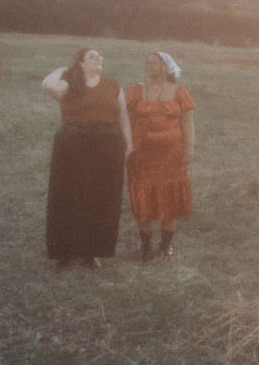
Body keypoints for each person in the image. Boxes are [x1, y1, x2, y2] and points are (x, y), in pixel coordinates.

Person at [42, 48, 133, 269]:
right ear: (81, 63)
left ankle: (92, 253)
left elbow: (124, 117)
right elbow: (47, 85)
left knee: (101, 197)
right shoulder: (69, 85)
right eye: (92, 56)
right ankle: (65, 251)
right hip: (72, 144)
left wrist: (129, 144)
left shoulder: (113, 85)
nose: (98, 59)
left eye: (100, 56)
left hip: (108, 145)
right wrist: (63, 70)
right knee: (67, 195)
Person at [125, 52, 196, 262]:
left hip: (171, 155)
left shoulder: (180, 92)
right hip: (142, 155)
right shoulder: (137, 91)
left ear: (165, 67)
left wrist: (189, 149)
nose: (149, 66)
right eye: (147, 63)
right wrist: (127, 146)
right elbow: (126, 120)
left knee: (170, 196)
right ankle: (146, 247)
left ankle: (165, 246)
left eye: (154, 63)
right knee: (143, 194)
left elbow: (187, 123)